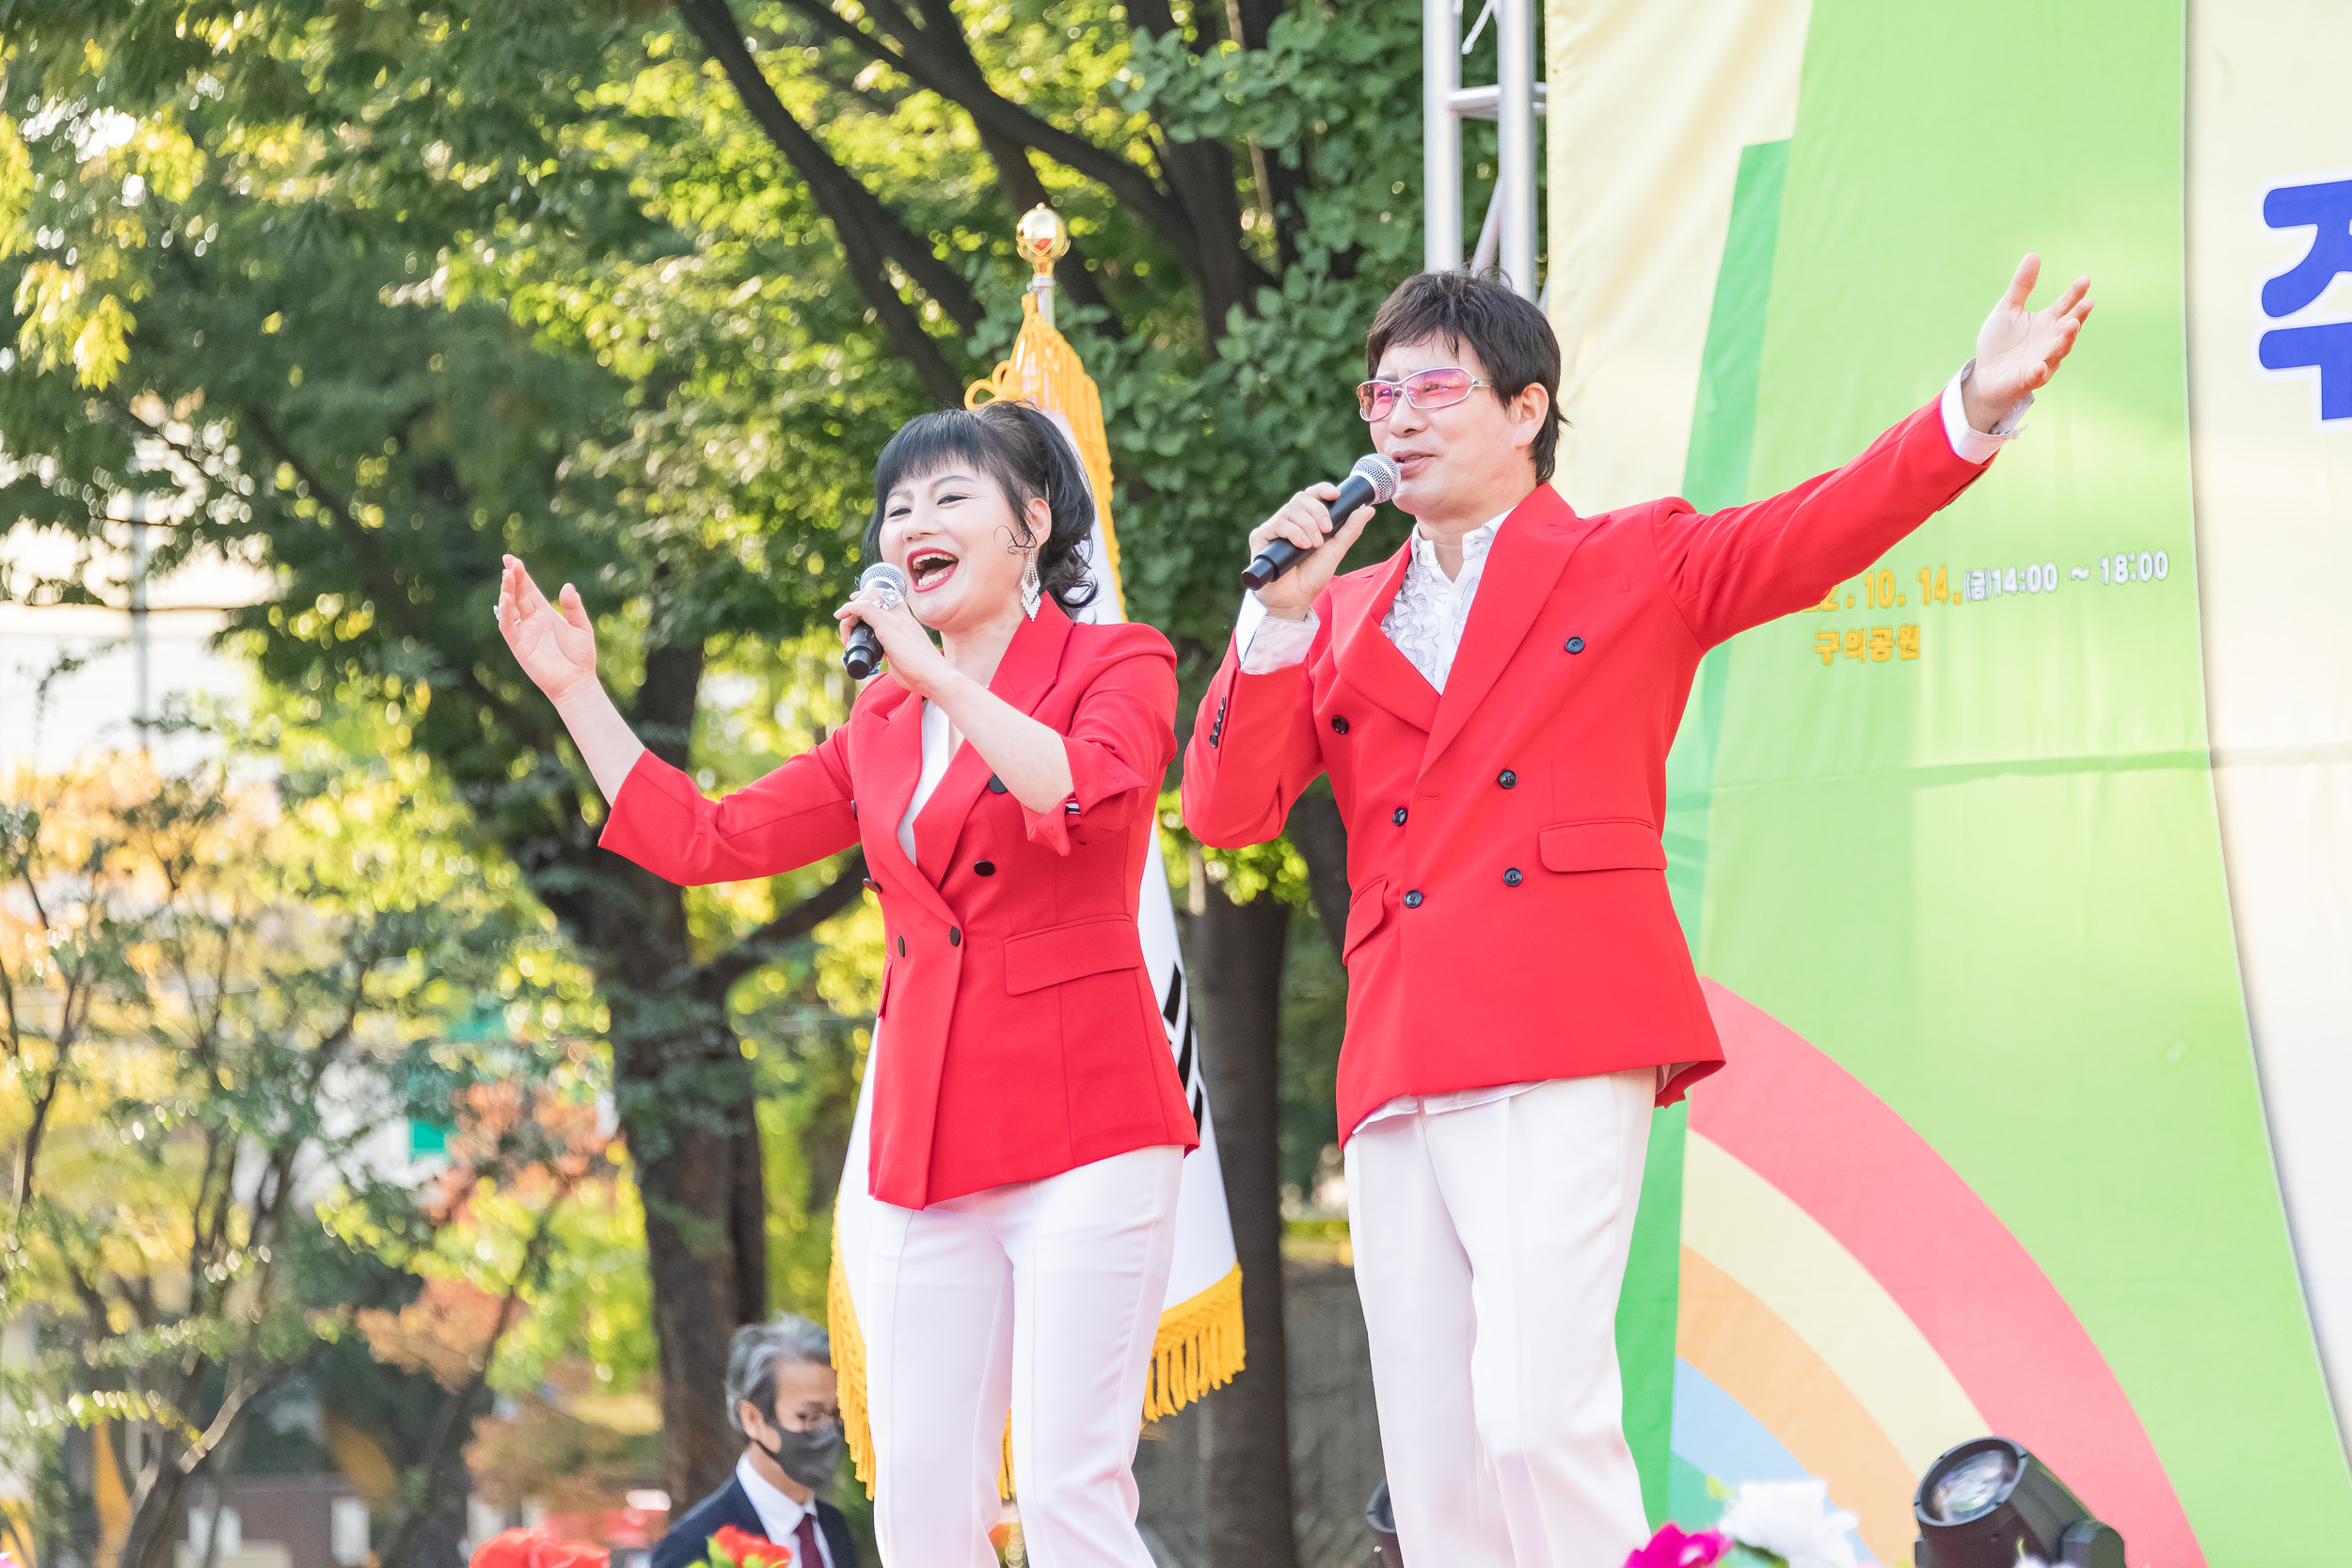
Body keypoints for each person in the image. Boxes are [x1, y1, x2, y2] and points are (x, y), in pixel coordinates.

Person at [1181, 260, 2092, 1566]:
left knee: (1539, 1414)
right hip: (1399, 1051)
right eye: (1383, 391)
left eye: (1437, 386)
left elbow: (1817, 527)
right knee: (1437, 1459)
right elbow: (1223, 806)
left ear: (1526, 408)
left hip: (1561, 1023)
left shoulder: (1629, 558)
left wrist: (1969, 410)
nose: (1400, 416)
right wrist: (1269, 619)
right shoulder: (1336, 612)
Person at [496, 397, 1197, 1568]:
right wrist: (578, 693)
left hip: (1092, 1124)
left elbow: (1084, 791)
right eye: (898, 504)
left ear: (1033, 524)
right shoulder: (880, 721)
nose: (912, 518)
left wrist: (942, 679)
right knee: (922, 1502)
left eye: (949, 496)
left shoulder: (1113, 659)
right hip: (926, 1142)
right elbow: (708, 840)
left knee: (1071, 1485)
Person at [650, 1318, 858, 1568]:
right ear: (753, 1418)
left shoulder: (834, 1527)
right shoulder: (693, 1545)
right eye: (810, 1417)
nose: (829, 1432)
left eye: (836, 1415)